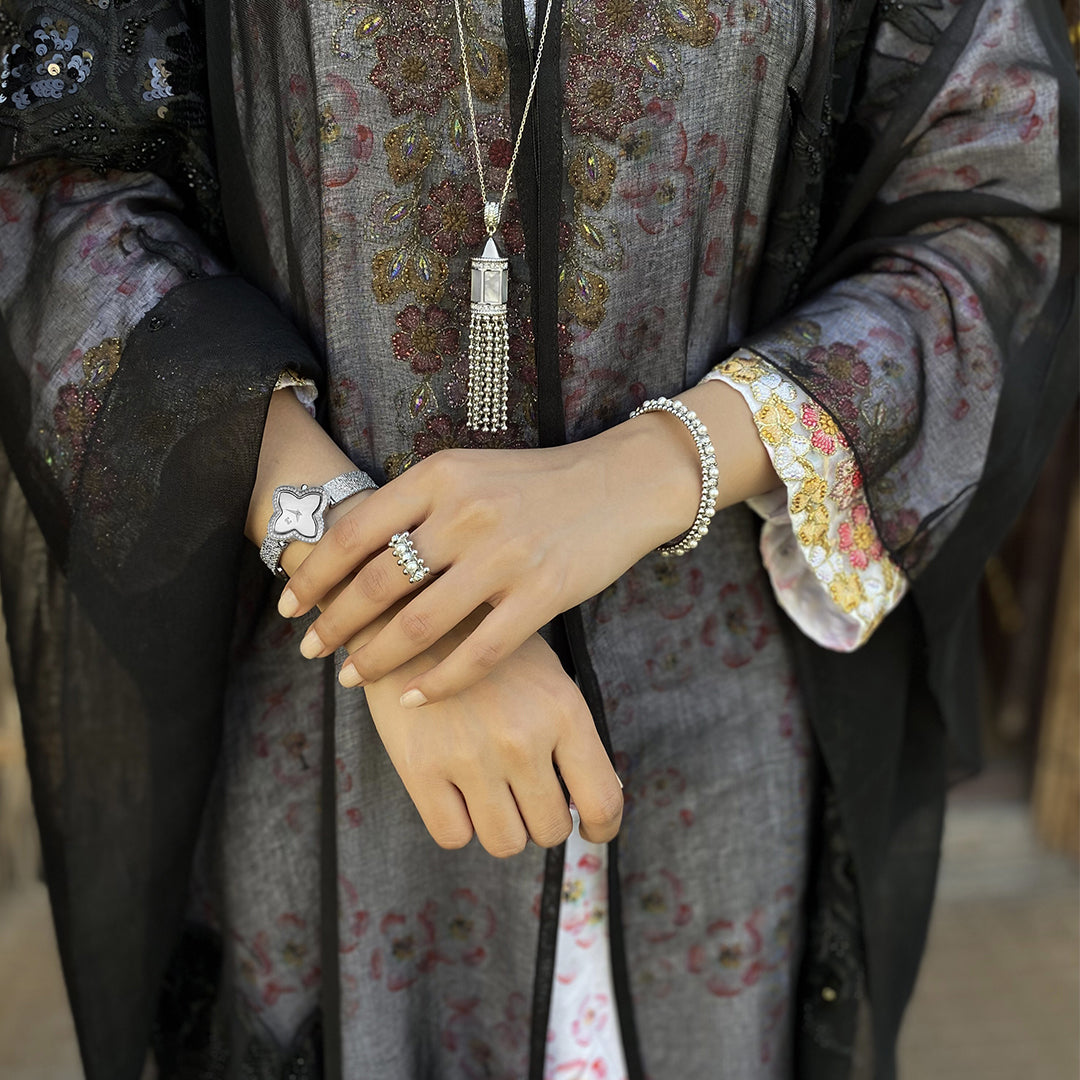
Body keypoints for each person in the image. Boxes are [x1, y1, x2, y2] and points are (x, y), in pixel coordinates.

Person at [0, 1, 1074, 1078]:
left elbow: (1000, 196)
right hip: (325, 741)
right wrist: (382, 593)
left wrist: (658, 466)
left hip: (711, 749)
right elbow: (54, 191)